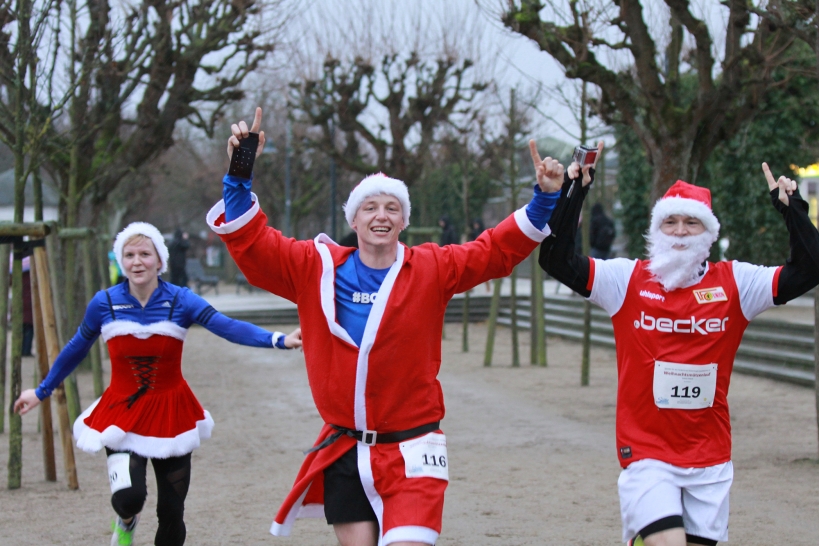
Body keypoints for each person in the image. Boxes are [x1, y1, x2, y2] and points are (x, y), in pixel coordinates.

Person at [206, 108, 565, 546]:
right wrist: (239, 177)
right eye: (370, 207)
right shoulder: (312, 268)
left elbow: (493, 251)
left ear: (403, 221)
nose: (381, 215)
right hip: (344, 449)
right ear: (353, 220)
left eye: (392, 208)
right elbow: (255, 245)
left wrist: (545, 197)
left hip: (413, 450)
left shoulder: (433, 267)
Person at [537, 141, 819, 546]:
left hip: (709, 458)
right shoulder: (627, 280)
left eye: (693, 223)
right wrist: (575, 189)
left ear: (709, 232)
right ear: (656, 229)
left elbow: (810, 269)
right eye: (671, 223)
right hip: (648, 454)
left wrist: (792, 212)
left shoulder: (736, 283)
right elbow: (555, 260)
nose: (681, 232)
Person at [14, 221, 302, 546]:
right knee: (128, 498)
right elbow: (76, 348)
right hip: (122, 413)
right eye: (129, 254)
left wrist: (278, 339)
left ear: (159, 260)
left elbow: (226, 326)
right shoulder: (104, 303)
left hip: (171, 413)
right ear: (120, 261)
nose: (137, 262)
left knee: (171, 512)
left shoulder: (181, 300)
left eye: (145, 254)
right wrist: (40, 392)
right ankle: (127, 521)